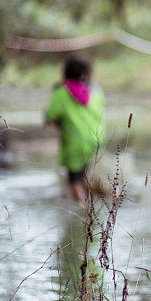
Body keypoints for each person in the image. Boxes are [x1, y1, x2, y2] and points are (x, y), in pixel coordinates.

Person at [45, 57, 105, 204]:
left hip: (74, 142)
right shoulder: (96, 91)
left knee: (74, 178)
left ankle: (82, 211)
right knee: (83, 173)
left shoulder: (61, 92)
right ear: (85, 73)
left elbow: (50, 116)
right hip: (96, 140)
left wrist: (59, 123)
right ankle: (90, 206)